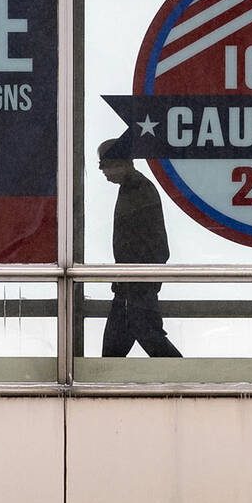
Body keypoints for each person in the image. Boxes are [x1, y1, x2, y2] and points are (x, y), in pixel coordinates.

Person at [97, 138, 182, 357]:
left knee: (142, 339)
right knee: (128, 344)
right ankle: (186, 378)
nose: (104, 172)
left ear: (121, 163)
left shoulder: (137, 189)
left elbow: (150, 244)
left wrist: (137, 280)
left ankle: (187, 379)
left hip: (135, 287)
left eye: (106, 166)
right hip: (133, 285)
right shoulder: (134, 187)